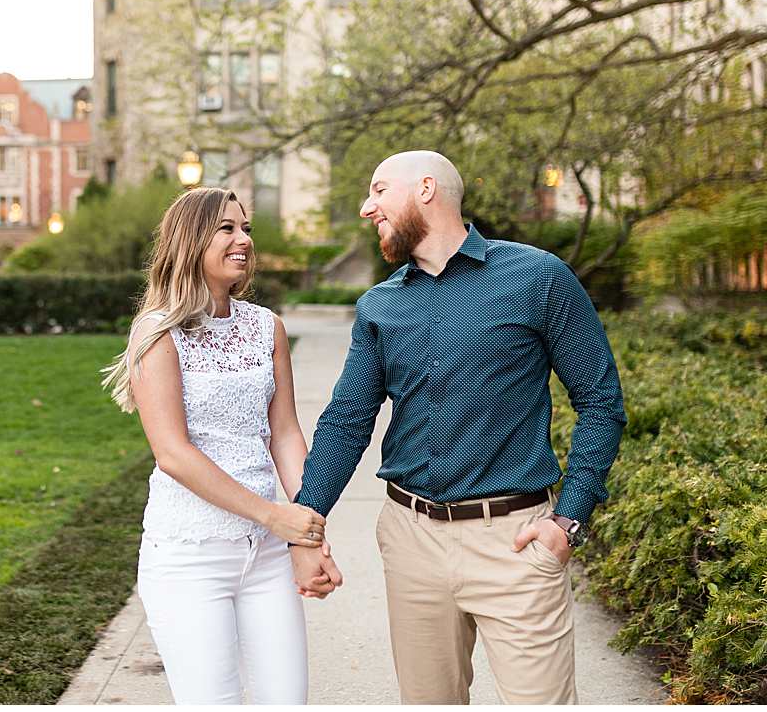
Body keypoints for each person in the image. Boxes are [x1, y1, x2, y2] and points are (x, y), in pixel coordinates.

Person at [289, 150, 626, 706]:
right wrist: (309, 525)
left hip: (515, 542)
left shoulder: (537, 277)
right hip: (412, 539)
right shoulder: (380, 305)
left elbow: (599, 400)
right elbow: (347, 422)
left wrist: (569, 520)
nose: (365, 208)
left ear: (426, 189)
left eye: (378, 191)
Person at [103, 187, 337, 705]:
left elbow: (286, 434)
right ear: (190, 241)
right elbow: (173, 453)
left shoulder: (266, 327)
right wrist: (274, 516)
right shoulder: (157, 331)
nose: (243, 240)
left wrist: (309, 536)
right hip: (190, 556)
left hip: (269, 556)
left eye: (245, 228)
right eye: (227, 228)